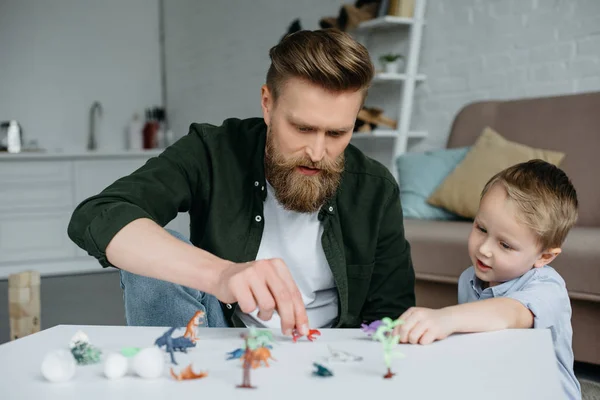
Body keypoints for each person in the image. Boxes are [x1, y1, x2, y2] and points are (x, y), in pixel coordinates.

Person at [67, 29, 415, 337]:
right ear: (267, 104)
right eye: (302, 128)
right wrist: (222, 275)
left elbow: (391, 317)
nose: (317, 151)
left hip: (328, 356)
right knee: (155, 258)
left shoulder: (375, 187)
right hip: (220, 345)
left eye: (338, 133)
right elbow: (99, 215)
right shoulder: (213, 150)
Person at [394, 159, 581, 400]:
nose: (484, 249)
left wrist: (446, 317)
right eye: (481, 229)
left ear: (544, 256)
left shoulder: (548, 288)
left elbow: (510, 314)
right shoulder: (469, 279)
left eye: (505, 244)